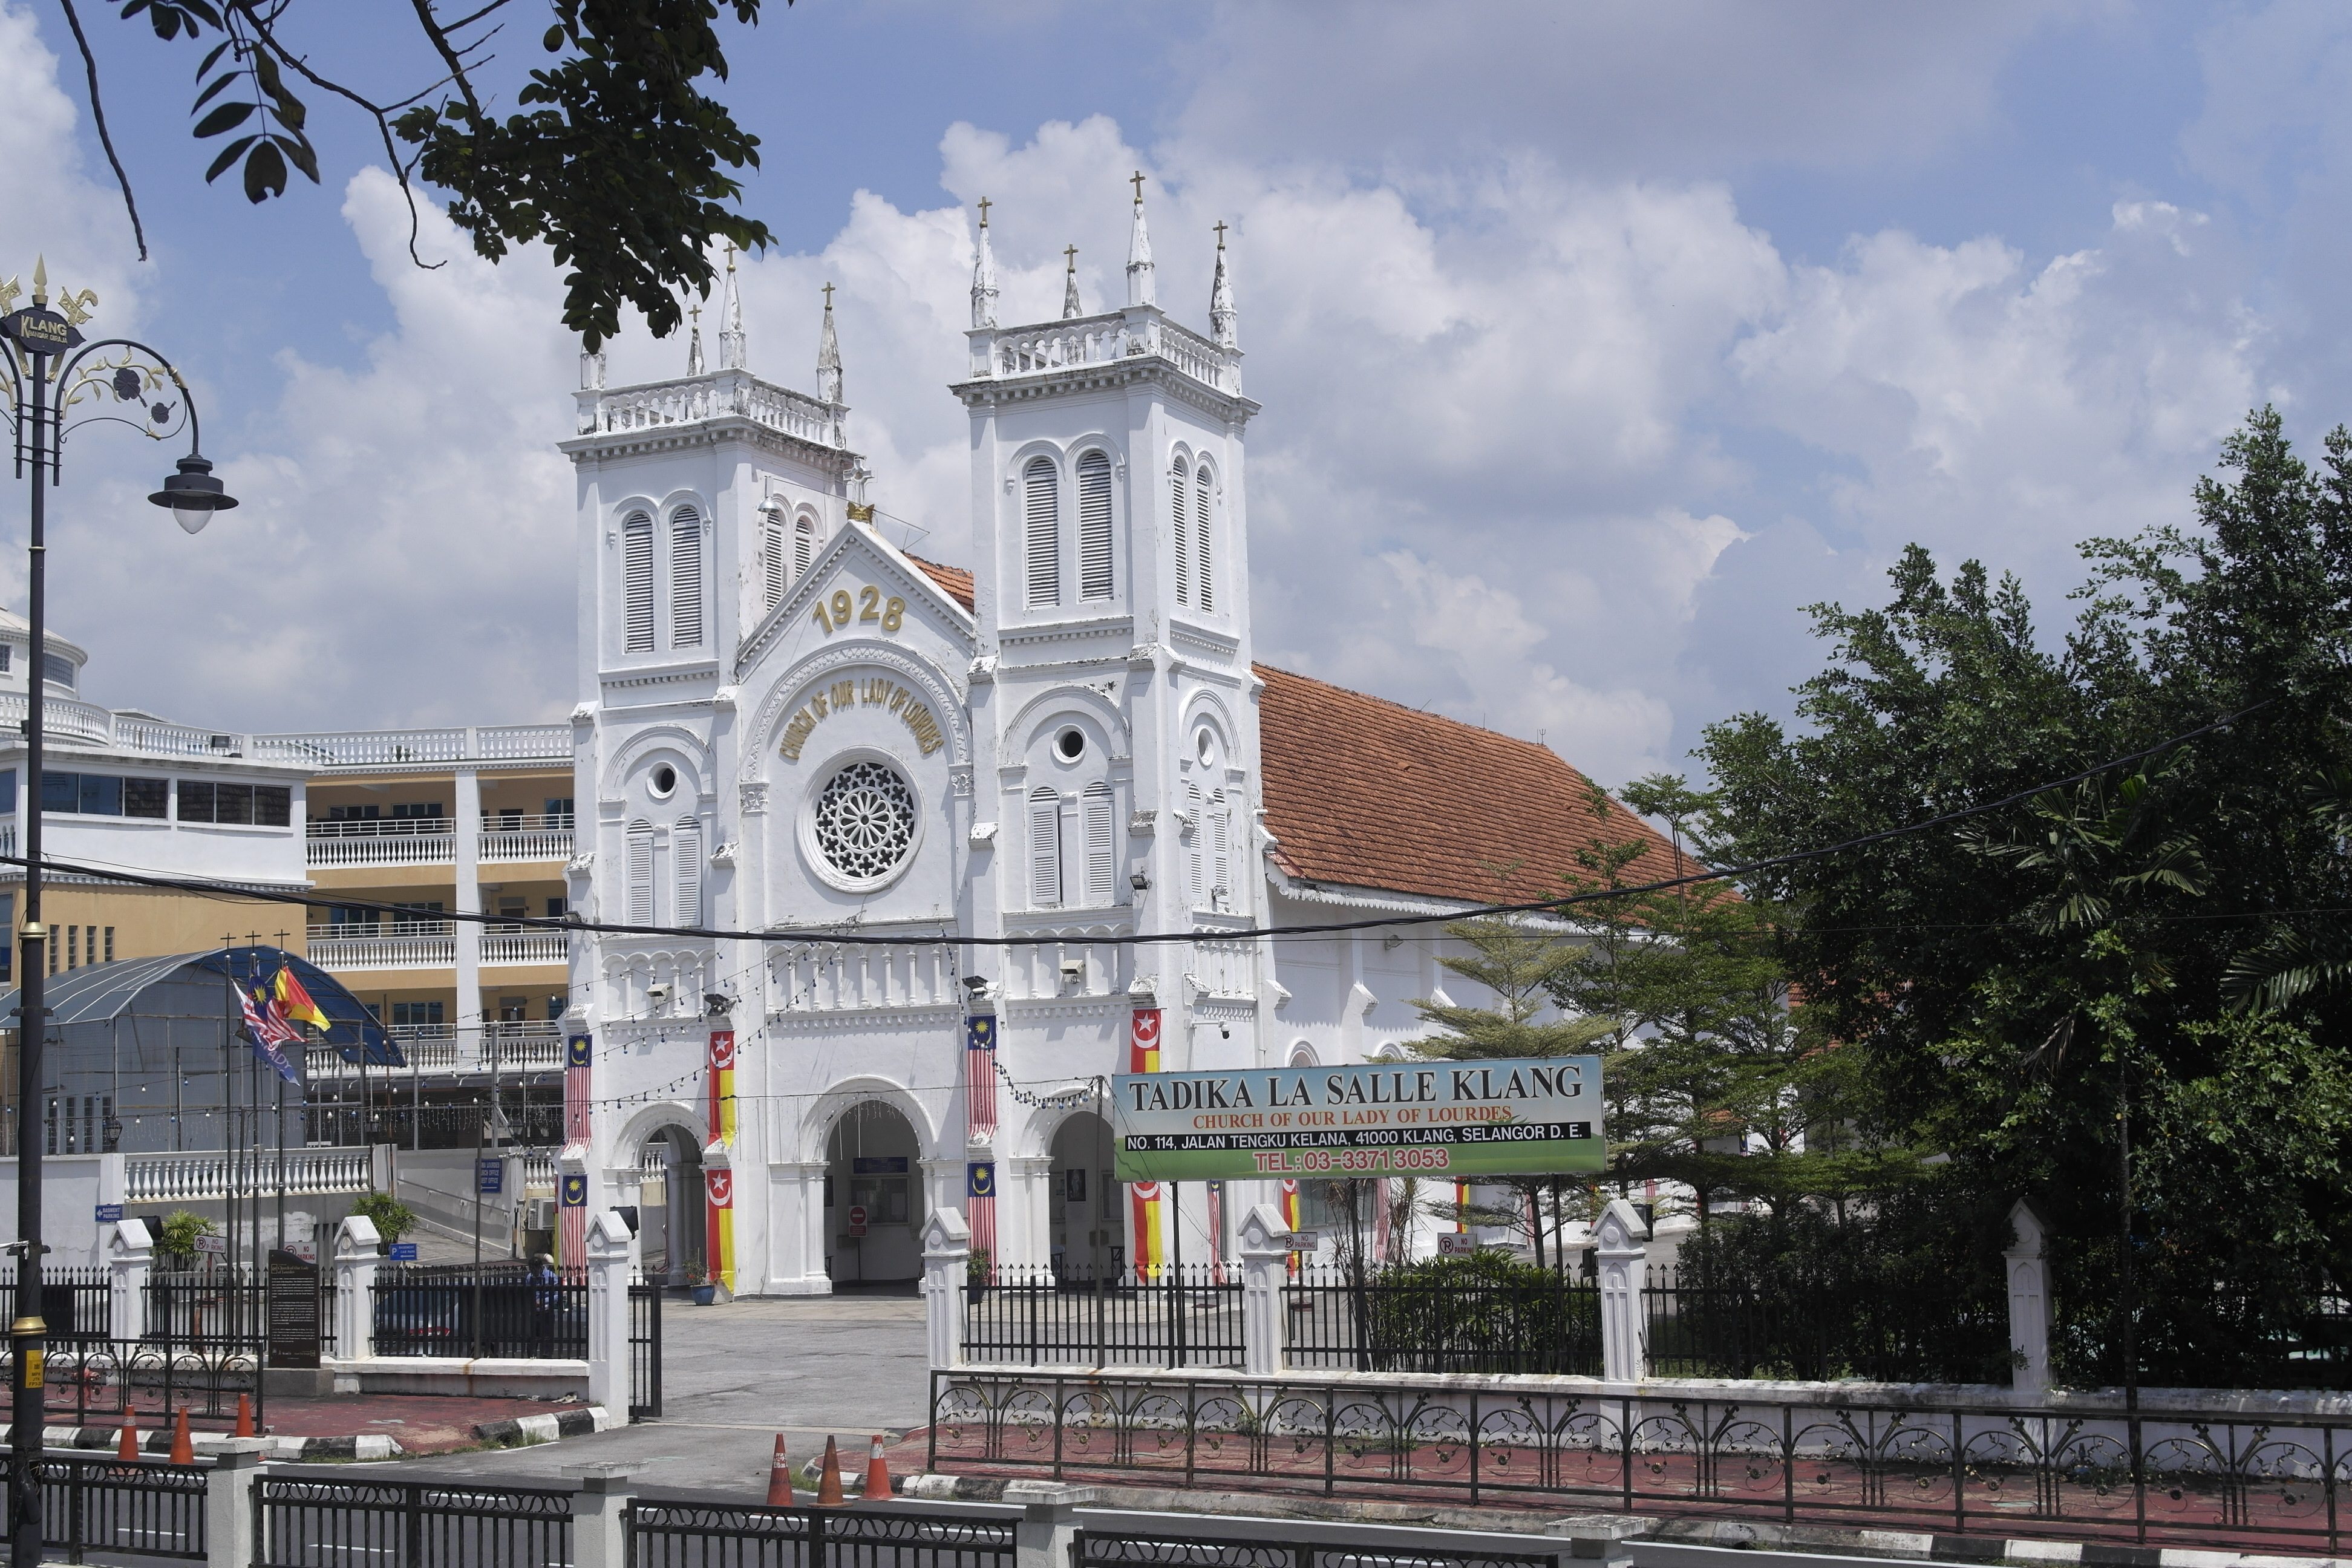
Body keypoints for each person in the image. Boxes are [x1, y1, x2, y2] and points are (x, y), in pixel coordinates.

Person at [525, 1251, 561, 1357]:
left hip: (546, 1312)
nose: (534, 1273)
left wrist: (542, 1302)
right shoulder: (530, 1277)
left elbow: (557, 1295)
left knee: (546, 1337)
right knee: (532, 1337)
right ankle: (531, 1355)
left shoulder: (551, 1277)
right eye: (531, 1270)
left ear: (540, 1267)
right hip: (534, 1312)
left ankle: (546, 1356)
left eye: (535, 1270)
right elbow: (527, 1293)